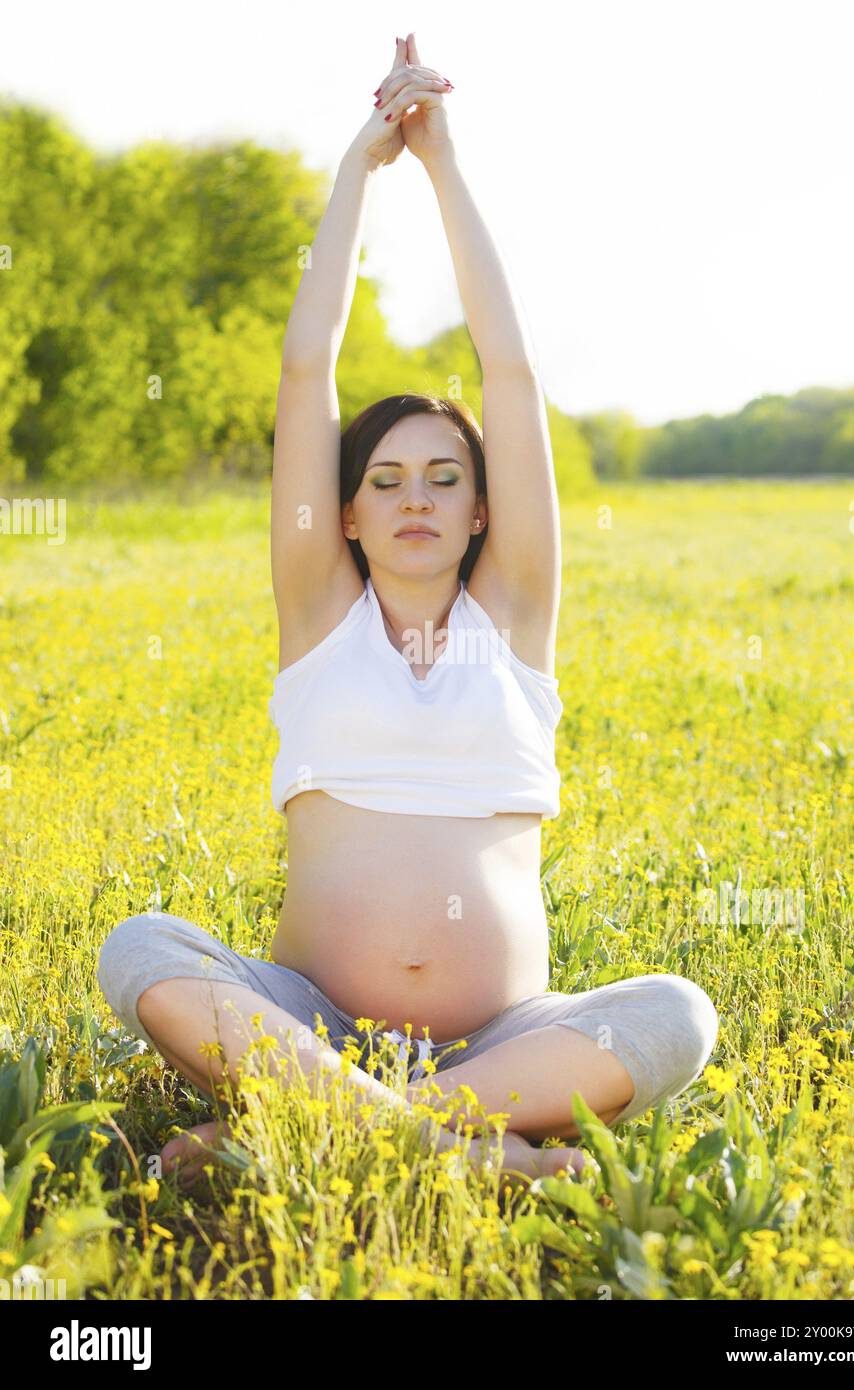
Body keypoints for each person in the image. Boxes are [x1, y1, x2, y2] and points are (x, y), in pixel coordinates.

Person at [96, 33, 718, 1187]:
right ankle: (451, 1154)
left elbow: (510, 369)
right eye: (381, 480)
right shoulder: (317, 613)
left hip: (498, 1043)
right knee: (141, 950)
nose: (413, 498)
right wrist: (357, 171)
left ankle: (321, 1131)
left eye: (443, 477)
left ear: (484, 509)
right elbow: (303, 372)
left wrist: (443, 165)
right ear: (341, 516)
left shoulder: (517, 615)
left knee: (676, 1014)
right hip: (306, 1020)